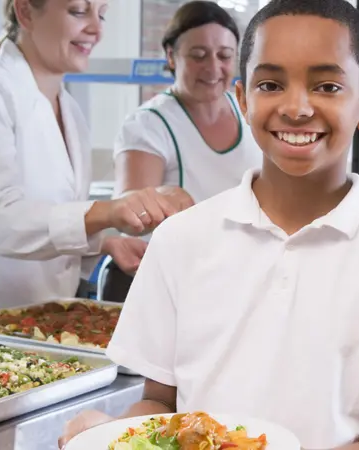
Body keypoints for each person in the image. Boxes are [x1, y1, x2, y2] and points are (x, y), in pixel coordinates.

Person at [60, 0, 359, 448]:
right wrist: (115, 437)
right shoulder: (181, 240)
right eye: (271, 84)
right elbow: (158, 405)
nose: (296, 108)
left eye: (328, 86)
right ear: (242, 98)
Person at [0, 0, 183, 320]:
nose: (96, 29)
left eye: (102, 14)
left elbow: (45, 224)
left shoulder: (70, 112)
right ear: (25, 12)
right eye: (79, 11)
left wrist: (101, 244)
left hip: (37, 323)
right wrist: (108, 212)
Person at [101, 1, 262, 301]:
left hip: (237, 280)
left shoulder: (250, 114)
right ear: (171, 56)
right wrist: (161, 198)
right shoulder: (148, 125)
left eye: (225, 56)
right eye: (199, 56)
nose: (213, 68)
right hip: (167, 285)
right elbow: (130, 217)